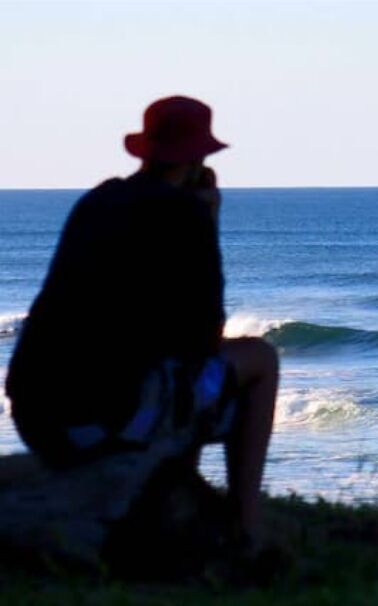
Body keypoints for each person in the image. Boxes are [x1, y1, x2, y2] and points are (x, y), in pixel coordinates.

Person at [4, 96, 278, 542]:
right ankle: (247, 525)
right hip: (107, 423)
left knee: (170, 370)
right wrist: (208, 221)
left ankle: (177, 486)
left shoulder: (96, 202)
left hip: (40, 418)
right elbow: (204, 336)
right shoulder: (185, 215)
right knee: (260, 359)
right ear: (198, 158)